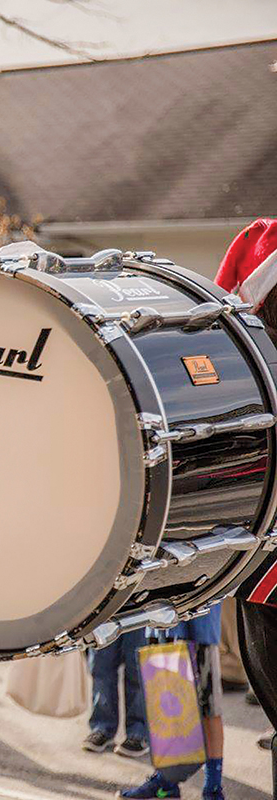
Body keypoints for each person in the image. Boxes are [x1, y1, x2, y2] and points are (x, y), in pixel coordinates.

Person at [214, 218, 277, 761]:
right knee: (175, 662)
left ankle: (194, 769)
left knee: (189, 666)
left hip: (241, 559)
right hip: (215, 557)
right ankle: (178, 767)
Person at [117, 605, 226, 800]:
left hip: (200, 622)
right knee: (163, 707)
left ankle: (213, 786)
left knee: (210, 707)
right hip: (159, 621)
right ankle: (166, 782)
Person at [85, 628, 150, 758]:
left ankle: (138, 732)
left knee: (137, 667)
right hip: (102, 613)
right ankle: (102, 727)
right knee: (101, 668)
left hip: (138, 609)